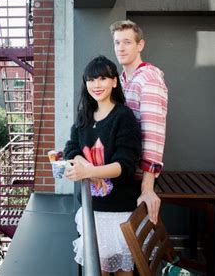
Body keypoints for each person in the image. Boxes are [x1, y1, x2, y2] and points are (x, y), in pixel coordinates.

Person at [64, 55, 142, 275]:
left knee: (122, 271)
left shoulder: (123, 117)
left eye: (102, 79)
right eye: (91, 80)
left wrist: (89, 171)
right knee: (95, 269)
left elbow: (125, 164)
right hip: (91, 211)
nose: (96, 85)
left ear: (114, 82)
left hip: (119, 212)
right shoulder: (84, 116)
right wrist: (82, 164)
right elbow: (71, 149)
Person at [109, 20, 168, 225]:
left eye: (127, 42)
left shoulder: (148, 79)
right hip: (124, 168)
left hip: (139, 177)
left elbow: (153, 133)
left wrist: (148, 188)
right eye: (117, 43)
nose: (121, 48)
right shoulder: (124, 79)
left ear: (140, 45)